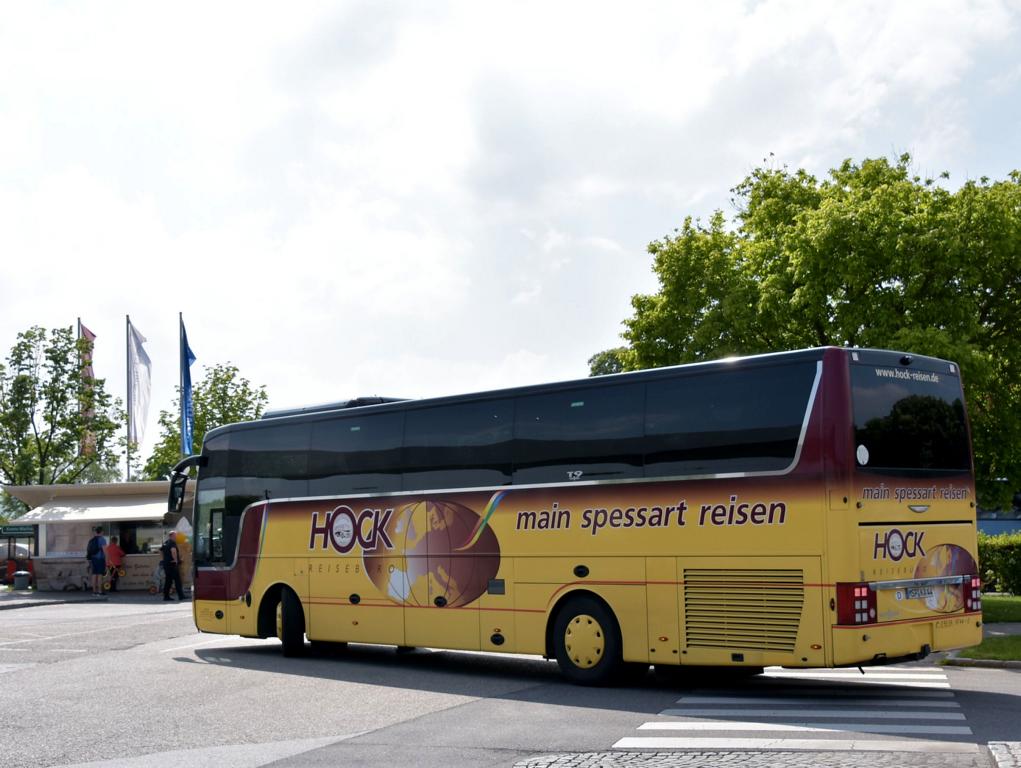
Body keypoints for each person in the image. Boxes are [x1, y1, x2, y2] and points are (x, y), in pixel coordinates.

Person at [160, 531, 183, 602]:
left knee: (168, 581)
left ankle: (166, 596)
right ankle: (181, 596)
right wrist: (176, 560)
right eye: (175, 535)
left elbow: (160, 551)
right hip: (172, 565)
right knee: (177, 580)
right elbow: (173, 551)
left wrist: (163, 559)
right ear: (172, 536)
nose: (176, 537)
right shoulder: (172, 543)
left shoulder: (166, 542)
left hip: (166, 564)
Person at [85, 526, 107, 597]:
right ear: (101, 532)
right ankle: (100, 591)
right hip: (100, 559)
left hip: (93, 559)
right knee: (100, 575)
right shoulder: (102, 539)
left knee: (94, 575)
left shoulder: (92, 540)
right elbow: (105, 552)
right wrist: (107, 560)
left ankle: (94, 592)